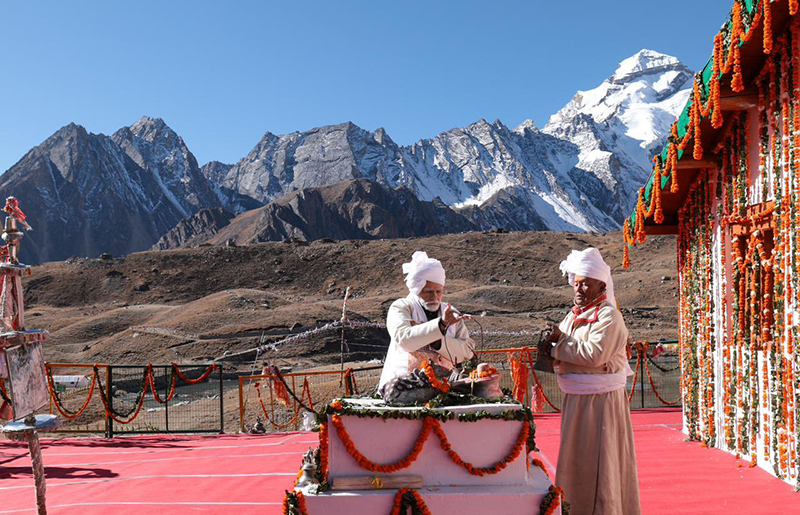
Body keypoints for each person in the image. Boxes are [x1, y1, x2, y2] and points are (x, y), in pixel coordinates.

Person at [541, 247, 640, 515]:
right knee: (576, 463)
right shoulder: (573, 316)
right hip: (577, 402)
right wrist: (550, 348)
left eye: (586, 283)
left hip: (601, 403)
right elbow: (565, 350)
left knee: (601, 464)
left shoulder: (609, 316)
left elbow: (595, 355)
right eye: (577, 283)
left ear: (601, 286)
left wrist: (557, 346)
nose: (579, 288)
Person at [378, 251, 475, 392]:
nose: (434, 297)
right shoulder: (401, 307)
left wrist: (439, 342)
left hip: (443, 390)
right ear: (417, 290)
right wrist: (440, 326)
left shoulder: (450, 313)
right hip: (401, 389)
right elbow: (404, 339)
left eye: (438, 291)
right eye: (428, 291)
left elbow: (467, 351)